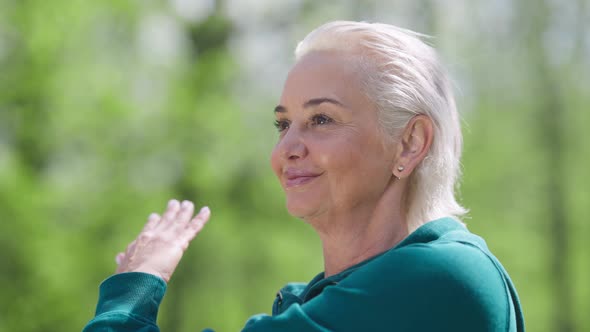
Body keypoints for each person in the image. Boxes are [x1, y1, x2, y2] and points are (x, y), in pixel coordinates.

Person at [83, 21, 525, 331]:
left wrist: (135, 289)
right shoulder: (338, 299)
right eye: (283, 124)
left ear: (410, 143)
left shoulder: (442, 274)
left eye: (322, 120)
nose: (286, 150)